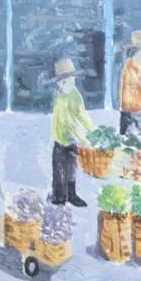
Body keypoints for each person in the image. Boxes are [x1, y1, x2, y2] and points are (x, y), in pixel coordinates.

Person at [50, 57, 96, 207]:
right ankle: (59, 197)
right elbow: (67, 122)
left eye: (71, 80)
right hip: (60, 141)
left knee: (71, 170)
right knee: (59, 171)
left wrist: (93, 131)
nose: (70, 84)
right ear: (60, 83)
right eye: (66, 82)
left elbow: (81, 114)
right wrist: (83, 139)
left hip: (71, 142)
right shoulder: (60, 98)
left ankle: (71, 195)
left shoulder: (75, 94)